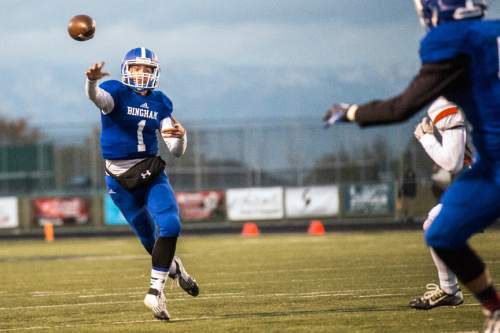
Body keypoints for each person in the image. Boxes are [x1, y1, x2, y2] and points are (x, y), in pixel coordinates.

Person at [322, 1, 500, 331]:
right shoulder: (490, 32)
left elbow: (401, 108)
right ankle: (494, 308)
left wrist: (350, 112)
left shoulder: (449, 41)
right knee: (441, 231)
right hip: (491, 164)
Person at [85, 47, 199, 321]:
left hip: (150, 172)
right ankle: (175, 269)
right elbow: (97, 98)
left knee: (170, 225)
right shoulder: (116, 92)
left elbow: (175, 149)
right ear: (127, 69)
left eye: (147, 68)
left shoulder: (161, 102)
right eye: (137, 68)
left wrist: (182, 137)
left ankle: (154, 292)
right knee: (150, 240)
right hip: (119, 180)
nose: (142, 73)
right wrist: (90, 81)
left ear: (154, 72)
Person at [409, 97, 472, 310]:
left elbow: (451, 163)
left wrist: (426, 138)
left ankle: (450, 290)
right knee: (435, 224)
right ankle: (449, 290)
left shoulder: (444, 102)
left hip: (489, 183)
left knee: (435, 226)